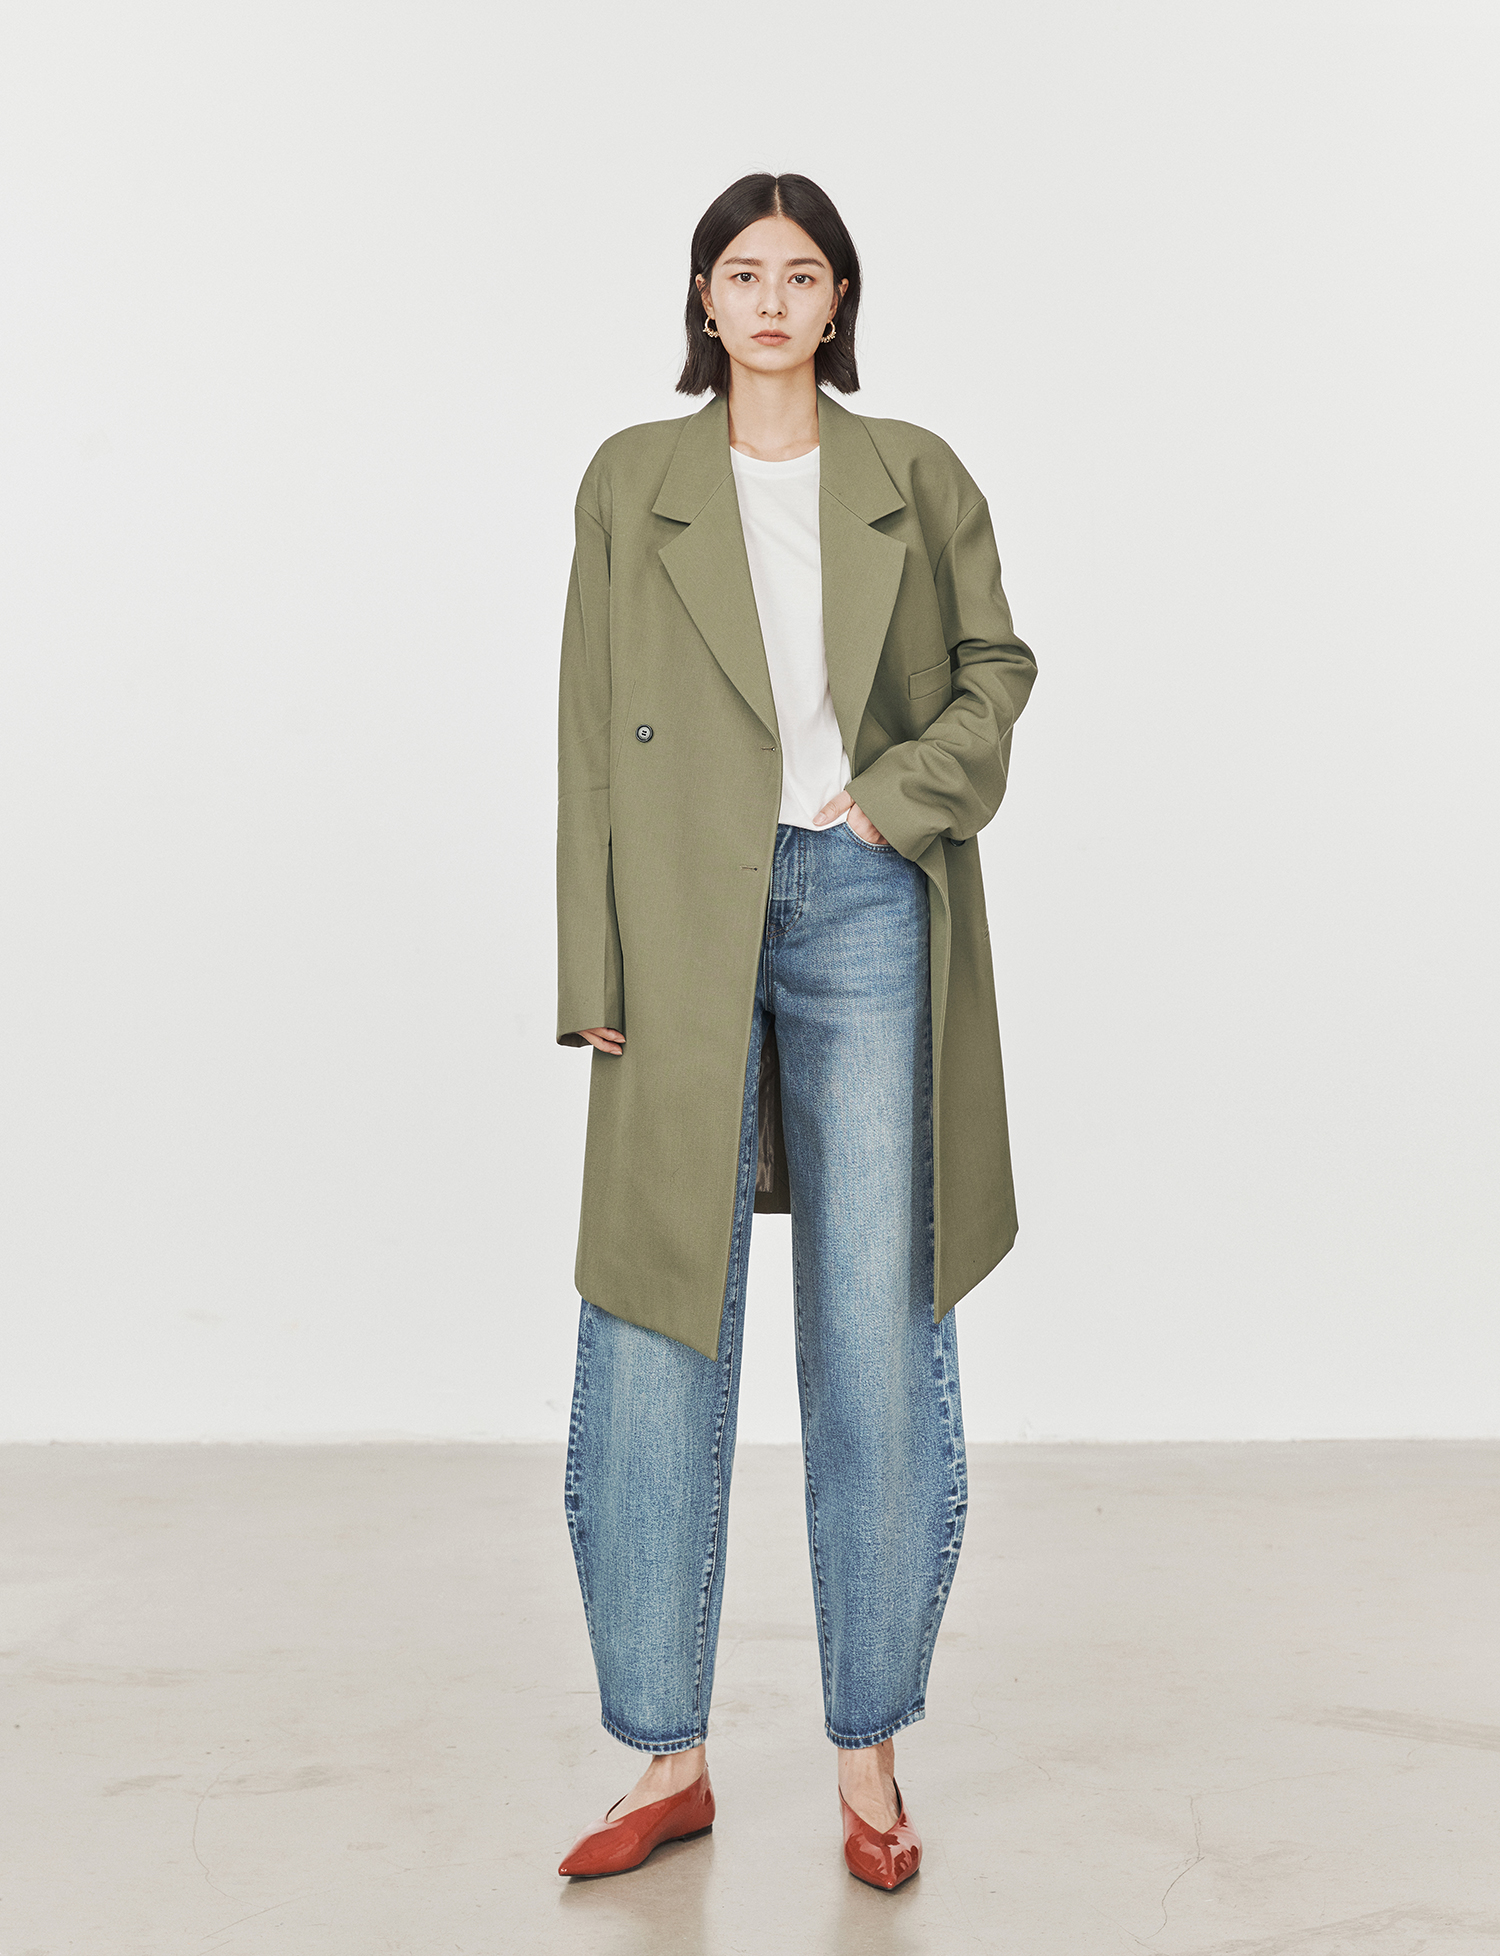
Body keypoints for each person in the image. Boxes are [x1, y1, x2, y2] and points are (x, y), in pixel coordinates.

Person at [553, 172, 1037, 1890]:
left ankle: (870, 1753)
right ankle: (666, 1755)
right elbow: (590, 732)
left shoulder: (915, 472)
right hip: (678, 911)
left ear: (841, 301)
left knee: (875, 1317)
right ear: (703, 297)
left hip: (863, 899)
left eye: (803, 272)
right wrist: (593, 965)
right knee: (653, 1312)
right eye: (742, 271)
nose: (771, 299)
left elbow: (996, 668)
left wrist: (894, 804)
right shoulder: (633, 477)